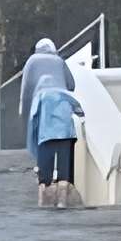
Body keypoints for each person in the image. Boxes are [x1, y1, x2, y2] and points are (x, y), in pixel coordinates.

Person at [28, 68, 82, 211]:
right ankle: (62, 201)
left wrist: (33, 143)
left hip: (45, 136)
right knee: (64, 168)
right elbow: (79, 109)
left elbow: (33, 118)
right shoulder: (64, 94)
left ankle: (43, 200)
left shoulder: (40, 96)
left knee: (45, 169)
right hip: (66, 134)